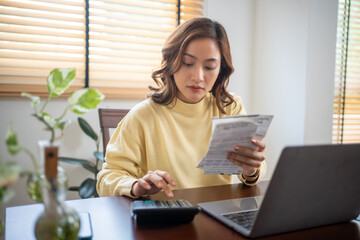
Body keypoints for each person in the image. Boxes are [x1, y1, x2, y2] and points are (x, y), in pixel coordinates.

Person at [97, 17, 267, 198]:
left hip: (216, 216)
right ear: (172, 61)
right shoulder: (143, 116)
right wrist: (135, 185)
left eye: (209, 66)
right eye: (187, 63)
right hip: (166, 218)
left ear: (220, 70)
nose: (198, 76)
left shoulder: (230, 108)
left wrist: (251, 170)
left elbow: (257, 168)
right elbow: (107, 178)